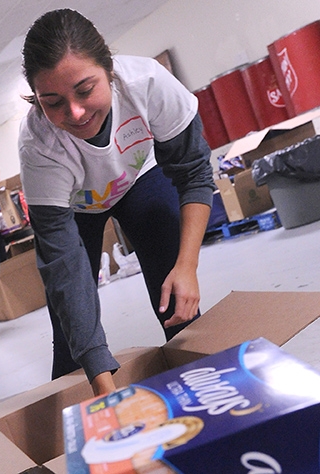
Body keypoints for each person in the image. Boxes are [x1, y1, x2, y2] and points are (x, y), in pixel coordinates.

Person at [19, 9, 215, 396]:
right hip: (77, 209)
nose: (75, 113)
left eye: (85, 89)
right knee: (71, 328)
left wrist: (187, 266)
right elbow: (65, 269)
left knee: (175, 296)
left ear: (108, 69)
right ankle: (75, 417)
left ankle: (205, 400)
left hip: (140, 178)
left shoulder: (148, 83)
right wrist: (104, 389)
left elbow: (194, 173)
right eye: (52, 101)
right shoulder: (39, 146)